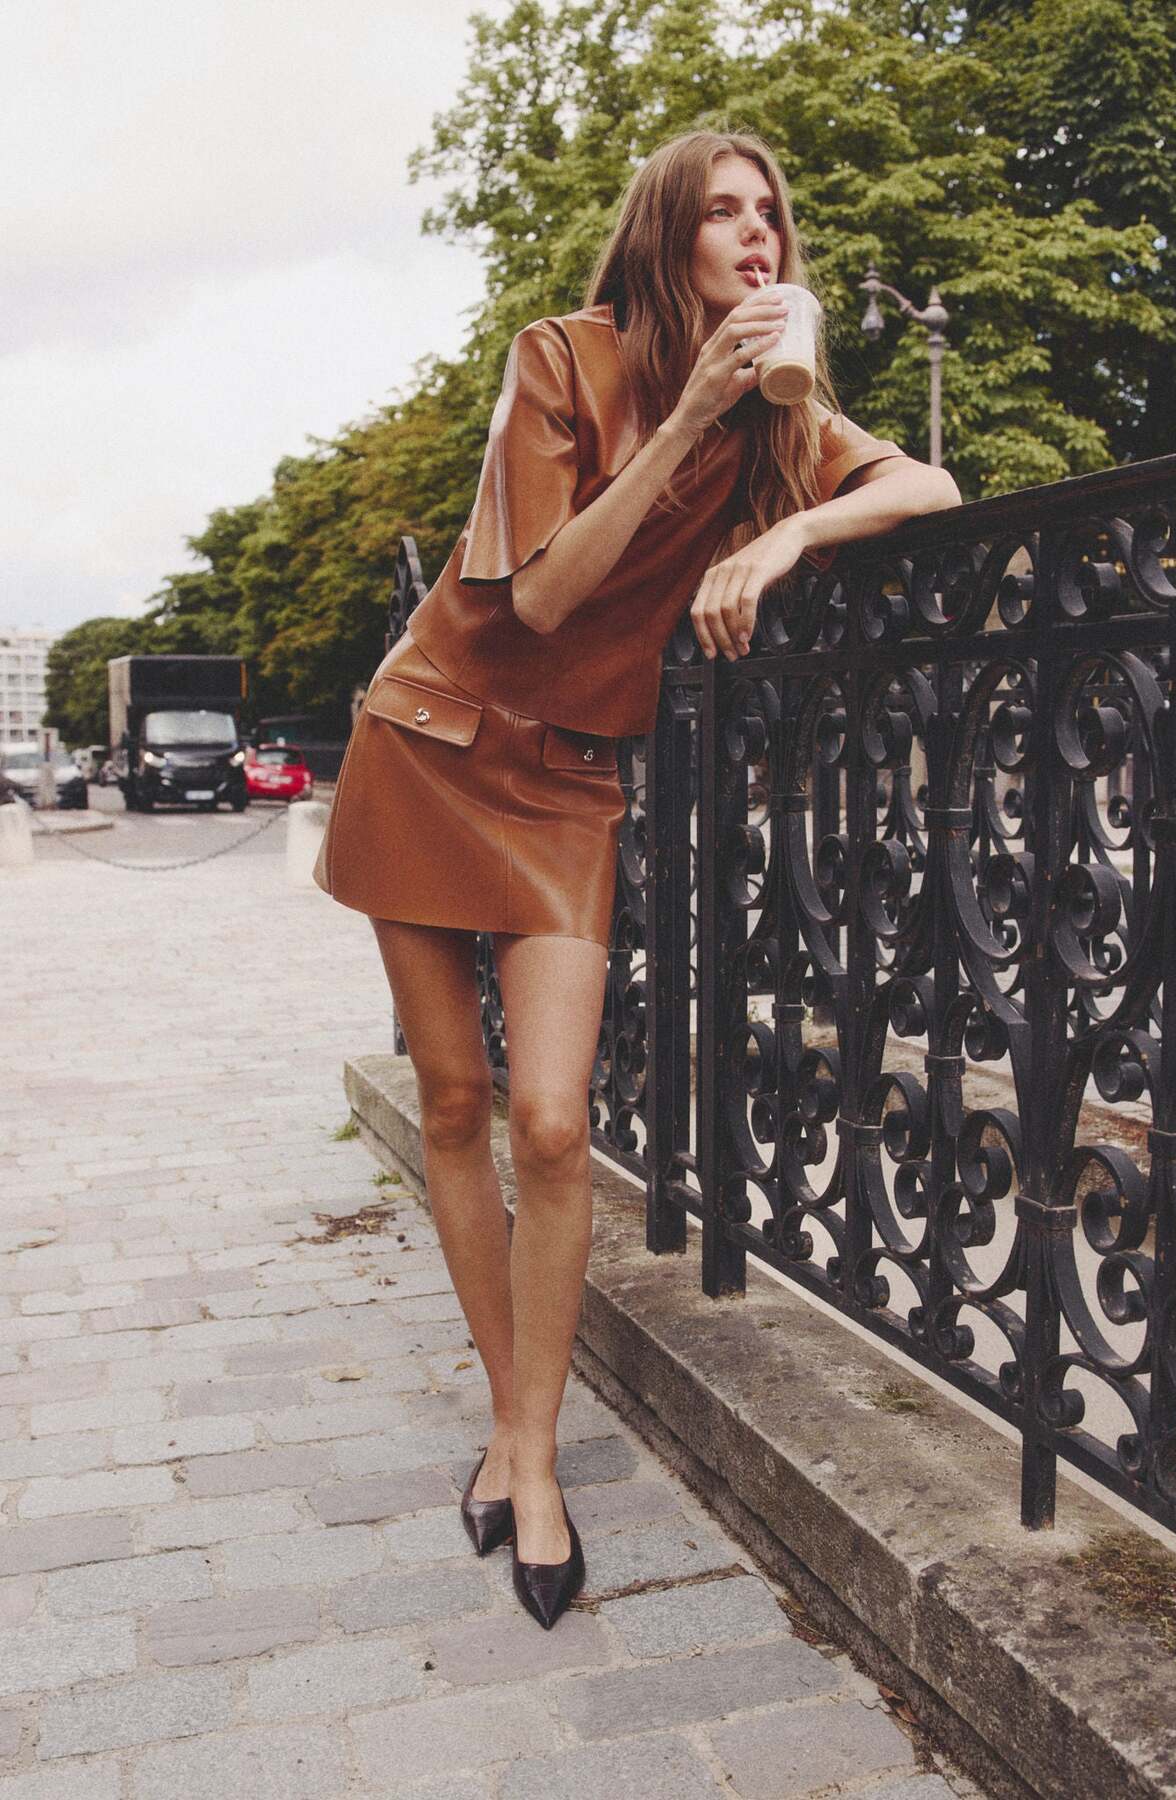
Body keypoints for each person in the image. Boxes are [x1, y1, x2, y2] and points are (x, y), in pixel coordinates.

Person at [314, 128, 961, 1628]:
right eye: (723, 213)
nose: (756, 236)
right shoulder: (564, 358)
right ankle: (520, 1442)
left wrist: (791, 531)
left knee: (553, 1121)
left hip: (568, 785)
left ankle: (529, 1444)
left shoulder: (780, 420)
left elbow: (927, 485)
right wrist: (683, 422)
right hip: (428, 738)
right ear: (671, 237)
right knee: (457, 1102)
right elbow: (543, 595)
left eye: (771, 215)